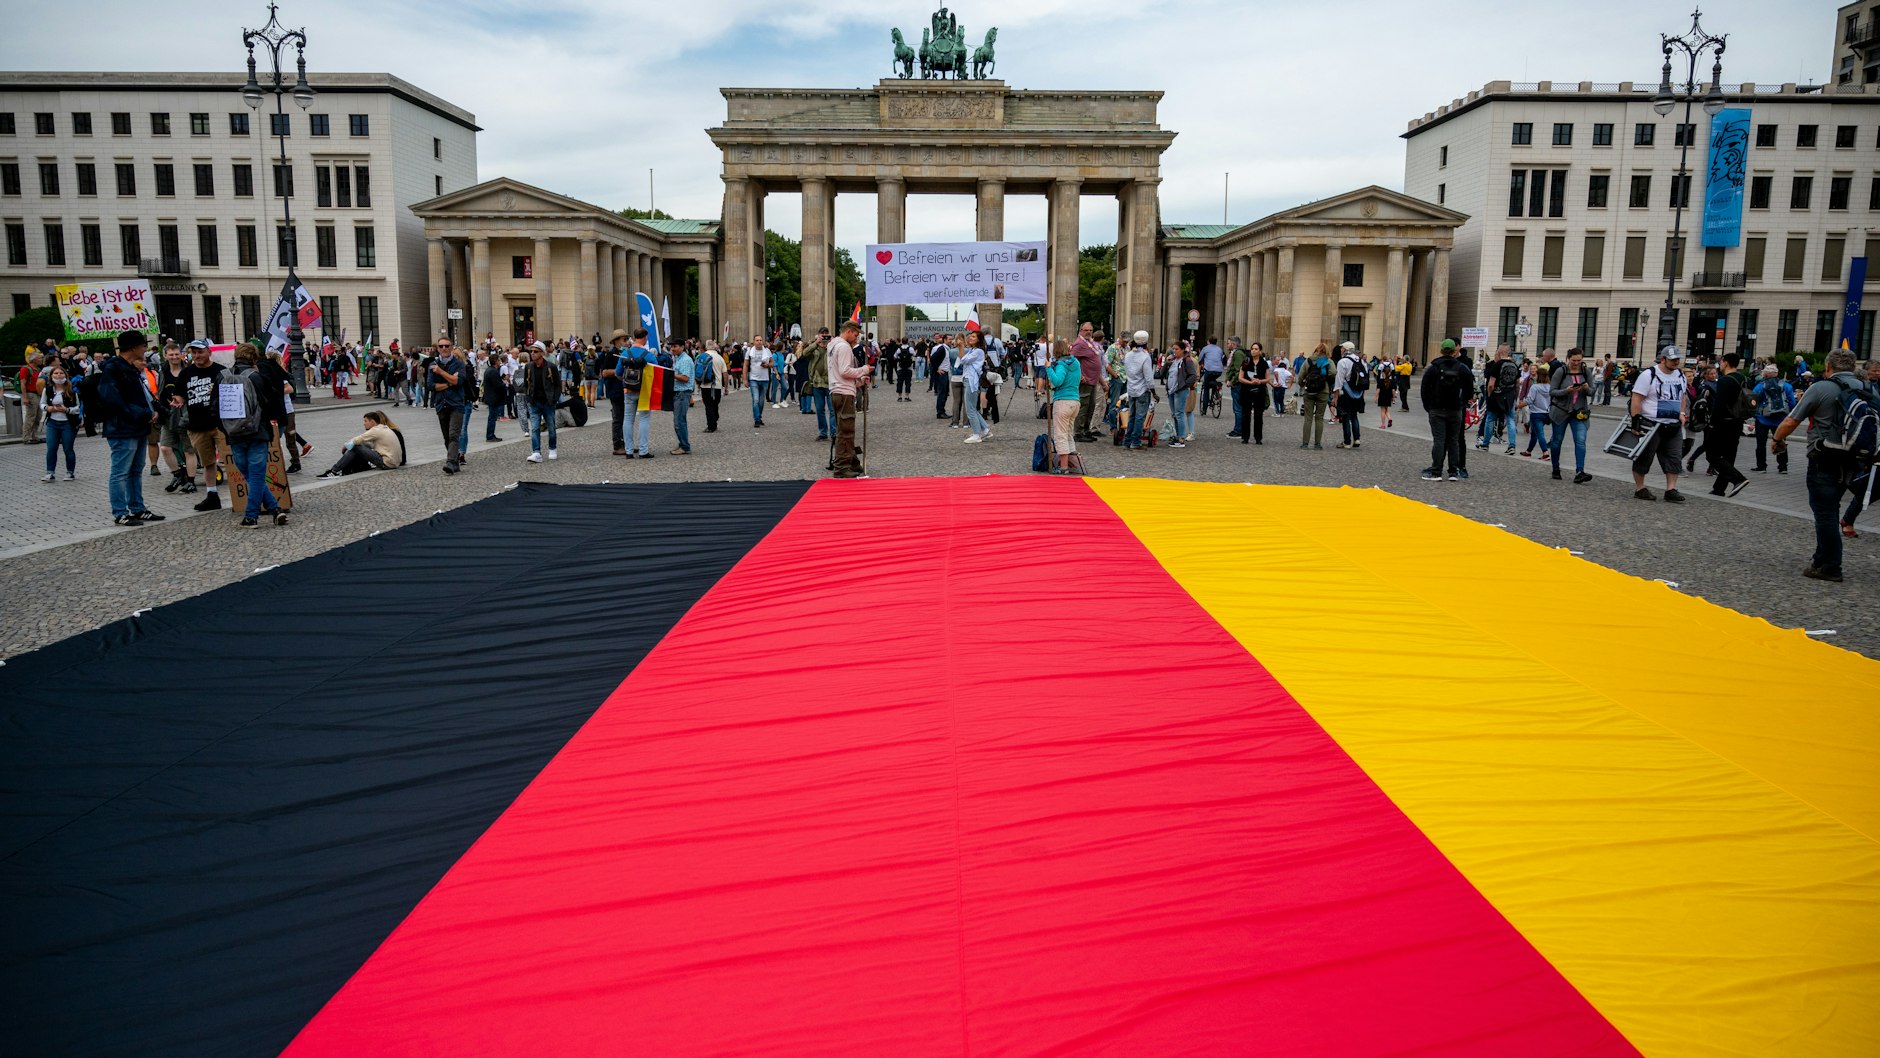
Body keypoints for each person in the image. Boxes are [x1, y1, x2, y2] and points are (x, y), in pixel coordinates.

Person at [1770, 349, 1873, 582]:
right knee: (1832, 506)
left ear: (1828, 367)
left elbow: (1791, 420)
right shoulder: (1868, 389)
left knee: (1826, 512)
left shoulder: (1822, 387)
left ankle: (1831, 566)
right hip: (1858, 459)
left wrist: (1777, 440)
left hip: (1825, 456)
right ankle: (1820, 557)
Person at [88, 330, 164, 527]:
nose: (145, 349)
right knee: (121, 472)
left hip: (137, 427)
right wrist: (143, 413)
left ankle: (137, 508)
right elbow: (113, 401)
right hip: (122, 428)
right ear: (133, 348)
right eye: (143, 345)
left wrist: (153, 410)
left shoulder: (130, 367)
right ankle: (120, 512)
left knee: (136, 470)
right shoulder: (113, 369)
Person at [223, 345, 288, 527]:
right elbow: (272, 403)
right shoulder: (257, 377)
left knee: (250, 475)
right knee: (256, 475)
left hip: (234, 433)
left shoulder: (222, 376)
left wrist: (226, 428)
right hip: (258, 432)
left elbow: (215, 407)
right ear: (254, 359)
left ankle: (261, 513)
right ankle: (262, 513)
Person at [1627, 345, 1690, 502]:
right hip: (1652, 423)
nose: (1676, 362)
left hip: (1673, 424)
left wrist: (1682, 413)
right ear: (1663, 359)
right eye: (1672, 360)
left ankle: (1671, 489)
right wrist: (1636, 421)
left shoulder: (1680, 375)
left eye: (1677, 360)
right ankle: (1640, 488)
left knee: (1675, 457)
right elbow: (1637, 398)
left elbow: (1682, 396)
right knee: (1644, 457)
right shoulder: (1649, 375)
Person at [1420, 339, 1474, 481]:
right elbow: (1469, 389)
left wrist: (1428, 406)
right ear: (1455, 351)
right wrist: (1462, 403)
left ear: (1441, 350)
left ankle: (1437, 471)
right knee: (1453, 440)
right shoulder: (1462, 368)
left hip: (1437, 408)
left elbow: (1424, 388)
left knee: (1439, 440)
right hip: (1455, 408)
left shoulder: (1434, 368)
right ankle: (1453, 472)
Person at [827, 320, 872, 477]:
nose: (857, 337)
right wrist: (863, 369)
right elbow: (845, 371)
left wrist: (860, 380)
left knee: (843, 428)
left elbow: (840, 372)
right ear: (848, 331)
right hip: (844, 392)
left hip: (836, 389)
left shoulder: (832, 345)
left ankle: (851, 461)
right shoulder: (844, 347)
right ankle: (842, 467)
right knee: (846, 430)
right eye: (855, 334)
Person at [1705, 352, 1751, 497]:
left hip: (1723, 422)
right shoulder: (1744, 378)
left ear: (1725, 362)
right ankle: (1719, 488)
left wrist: (1712, 423)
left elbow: (1719, 405)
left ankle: (1738, 479)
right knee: (1729, 456)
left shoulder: (1725, 380)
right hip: (1737, 421)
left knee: (1712, 455)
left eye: (1721, 361)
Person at [1547, 347, 1594, 483]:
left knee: (1580, 441)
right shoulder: (1560, 371)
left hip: (1579, 412)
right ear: (1568, 358)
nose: (1576, 363)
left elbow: (1592, 391)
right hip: (1561, 411)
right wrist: (1566, 391)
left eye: (1579, 360)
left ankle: (1580, 471)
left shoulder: (1585, 371)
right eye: (1574, 360)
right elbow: (1552, 391)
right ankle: (1556, 468)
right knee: (1557, 441)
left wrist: (1586, 388)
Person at [318, 411, 405, 476]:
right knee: (363, 445)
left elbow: (358, 439)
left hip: (387, 463)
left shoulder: (375, 430)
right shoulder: (384, 428)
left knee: (355, 446)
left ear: (373, 422)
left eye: (365, 421)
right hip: (395, 462)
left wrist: (345, 446)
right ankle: (342, 469)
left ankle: (334, 471)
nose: (364, 424)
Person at [428, 337, 468, 475]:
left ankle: (450, 462)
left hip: (456, 404)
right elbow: (430, 385)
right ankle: (455, 461)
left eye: (446, 346)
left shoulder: (458, 364)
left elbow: (459, 381)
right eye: (441, 346)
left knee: (453, 435)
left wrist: (440, 373)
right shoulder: (432, 364)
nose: (444, 348)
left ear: (451, 347)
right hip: (441, 404)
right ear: (438, 348)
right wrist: (449, 382)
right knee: (446, 437)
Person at [1750, 364, 1794, 475]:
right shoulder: (1786, 386)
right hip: (1780, 419)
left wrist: (1755, 415)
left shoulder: (1760, 386)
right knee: (1780, 441)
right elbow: (1792, 402)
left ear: (1765, 374)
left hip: (1762, 419)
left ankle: (1761, 466)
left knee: (1761, 444)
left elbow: (1752, 401)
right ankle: (1783, 467)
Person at [521, 342, 561, 463]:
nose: (532, 353)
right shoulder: (528, 367)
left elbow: (558, 385)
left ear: (542, 353)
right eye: (531, 351)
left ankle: (552, 448)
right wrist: (528, 398)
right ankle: (536, 452)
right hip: (534, 402)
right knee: (534, 428)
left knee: (551, 426)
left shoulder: (551, 367)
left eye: (535, 351)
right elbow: (526, 384)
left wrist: (554, 399)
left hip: (548, 402)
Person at [39, 364, 79, 481]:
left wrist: (66, 409)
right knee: (51, 448)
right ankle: (50, 472)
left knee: (68, 448)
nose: (58, 375)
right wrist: (48, 408)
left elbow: (78, 407)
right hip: (52, 423)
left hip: (67, 423)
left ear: (65, 375)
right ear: (51, 376)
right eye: (56, 373)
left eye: (61, 373)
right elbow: (42, 404)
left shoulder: (71, 391)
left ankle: (70, 472)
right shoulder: (48, 390)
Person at [1477, 345, 1520, 454]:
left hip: (1496, 395)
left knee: (1490, 419)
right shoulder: (1515, 365)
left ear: (1499, 352)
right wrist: (1515, 397)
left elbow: (1491, 384)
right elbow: (1517, 384)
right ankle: (1512, 446)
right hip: (1510, 396)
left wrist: (1489, 395)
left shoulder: (1497, 365)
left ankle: (1485, 444)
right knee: (1510, 420)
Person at [1120, 331, 1154, 450]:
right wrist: (1154, 392)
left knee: (1132, 416)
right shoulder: (1145, 357)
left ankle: (1127, 441)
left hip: (1131, 389)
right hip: (1142, 390)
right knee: (1140, 417)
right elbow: (1148, 378)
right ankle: (1135, 442)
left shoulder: (1128, 355)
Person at [1071, 323, 1104, 441]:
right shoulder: (1079, 344)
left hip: (1093, 380)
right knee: (1083, 407)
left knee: (1091, 406)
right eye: (1086, 330)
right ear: (1080, 330)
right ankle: (1078, 432)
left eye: (1090, 330)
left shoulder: (1089, 343)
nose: (1089, 332)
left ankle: (1086, 430)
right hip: (1085, 381)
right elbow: (1070, 360)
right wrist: (1079, 376)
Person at [1297, 342, 1333, 449]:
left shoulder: (1308, 360)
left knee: (1308, 418)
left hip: (1309, 391)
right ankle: (1317, 444)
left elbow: (1300, 376)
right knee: (1319, 418)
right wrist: (1325, 379)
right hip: (1323, 391)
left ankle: (1305, 443)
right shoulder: (1328, 361)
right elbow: (1334, 372)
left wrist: (1303, 385)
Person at [1332, 341, 1366, 449]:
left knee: (1345, 416)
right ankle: (1357, 439)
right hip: (1358, 392)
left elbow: (1339, 380)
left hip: (1346, 393)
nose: (1341, 350)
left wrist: (1335, 396)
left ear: (1346, 350)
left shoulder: (1343, 362)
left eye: (1342, 348)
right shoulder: (1361, 361)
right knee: (1354, 416)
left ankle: (1347, 442)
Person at [959, 330, 990, 443]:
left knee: (970, 409)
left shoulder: (978, 352)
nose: (970, 338)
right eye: (970, 336)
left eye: (973, 337)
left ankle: (976, 434)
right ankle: (985, 430)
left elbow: (963, 360)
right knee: (972, 408)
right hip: (969, 379)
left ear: (978, 340)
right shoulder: (973, 350)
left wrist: (961, 347)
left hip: (971, 381)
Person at [1164, 342, 1195, 449]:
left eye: (1176, 349)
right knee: (1174, 414)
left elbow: (1193, 376)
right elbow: (1162, 373)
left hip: (1180, 390)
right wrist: (1167, 362)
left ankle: (1181, 437)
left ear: (1182, 350)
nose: (1174, 351)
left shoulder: (1187, 361)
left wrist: (1184, 384)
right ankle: (1177, 436)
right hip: (1171, 390)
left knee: (1179, 413)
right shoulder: (1172, 361)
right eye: (1173, 349)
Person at [1237, 343, 1269, 445]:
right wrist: (1250, 382)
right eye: (1252, 349)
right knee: (1246, 414)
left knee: (1258, 415)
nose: (1253, 351)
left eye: (1256, 349)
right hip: (1247, 390)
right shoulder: (1246, 361)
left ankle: (1258, 438)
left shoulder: (1264, 363)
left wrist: (1260, 381)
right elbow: (1240, 377)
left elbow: (1268, 378)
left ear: (1260, 351)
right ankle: (1245, 437)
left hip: (1259, 391)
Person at [668, 342, 695, 455]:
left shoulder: (684, 360)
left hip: (682, 393)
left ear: (682, 347)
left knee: (679, 421)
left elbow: (685, 378)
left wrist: (670, 374)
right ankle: (682, 444)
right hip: (680, 393)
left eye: (675, 346)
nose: (672, 349)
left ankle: (684, 446)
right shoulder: (680, 358)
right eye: (672, 347)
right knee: (679, 420)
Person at [1517, 365, 1549, 457]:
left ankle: (1545, 452)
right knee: (1534, 433)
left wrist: (1518, 406)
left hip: (1536, 413)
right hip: (1546, 413)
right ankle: (1528, 451)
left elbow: (1529, 400)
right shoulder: (1549, 387)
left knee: (1539, 434)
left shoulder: (1535, 387)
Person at [697, 341, 725, 432]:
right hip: (717, 385)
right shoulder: (720, 358)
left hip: (705, 385)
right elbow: (725, 373)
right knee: (715, 404)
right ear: (715, 347)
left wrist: (697, 382)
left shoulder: (701, 356)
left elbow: (697, 370)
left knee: (708, 406)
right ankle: (714, 419)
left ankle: (711, 426)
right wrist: (726, 387)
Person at [19, 349, 44, 444]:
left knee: (38, 416)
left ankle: (34, 436)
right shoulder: (25, 369)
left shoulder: (37, 369)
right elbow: (23, 383)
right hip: (31, 394)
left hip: (38, 394)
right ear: (34, 359)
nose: (41, 359)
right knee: (30, 416)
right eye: (39, 358)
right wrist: (25, 397)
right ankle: (26, 437)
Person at [746, 339, 772, 427]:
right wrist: (745, 379)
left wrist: (767, 365)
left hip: (765, 379)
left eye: (761, 340)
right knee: (756, 400)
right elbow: (745, 365)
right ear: (753, 342)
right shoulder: (749, 351)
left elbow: (772, 363)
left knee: (761, 401)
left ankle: (759, 417)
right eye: (757, 340)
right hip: (754, 379)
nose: (759, 341)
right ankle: (757, 419)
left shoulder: (767, 351)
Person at [1376, 358, 1396, 430]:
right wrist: (1393, 398)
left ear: (1383, 373)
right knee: (1386, 409)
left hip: (1382, 396)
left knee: (1382, 410)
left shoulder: (1381, 381)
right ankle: (1389, 418)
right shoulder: (1391, 381)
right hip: (1388, 396)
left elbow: (1378, 390)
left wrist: (1376, 397)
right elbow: (1393, 390)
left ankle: (1383, 424)